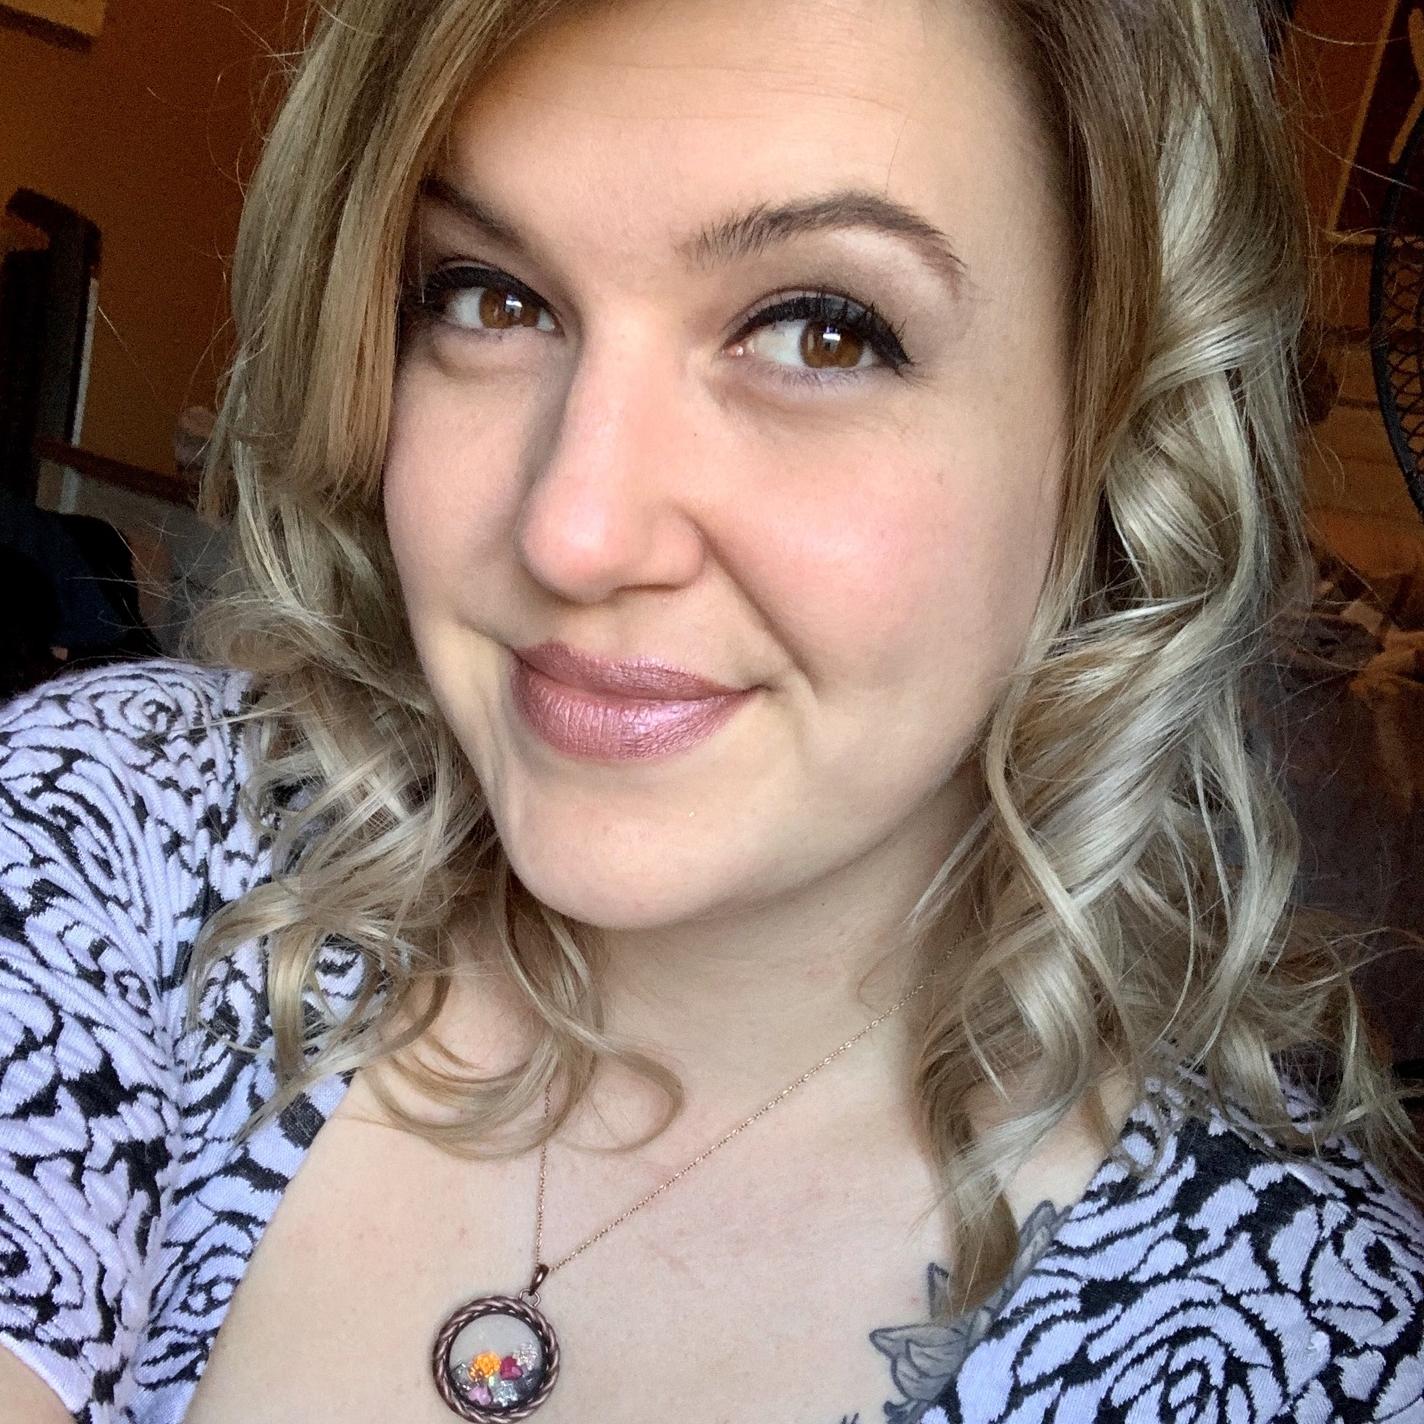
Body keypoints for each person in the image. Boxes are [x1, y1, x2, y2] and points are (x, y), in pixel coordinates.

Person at [1, 0, 1421, 1420]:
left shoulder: (1310, 1347)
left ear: (1117, 443)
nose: (574, 533)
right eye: (490, 297)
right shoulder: (117, 835)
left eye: (822, 331)